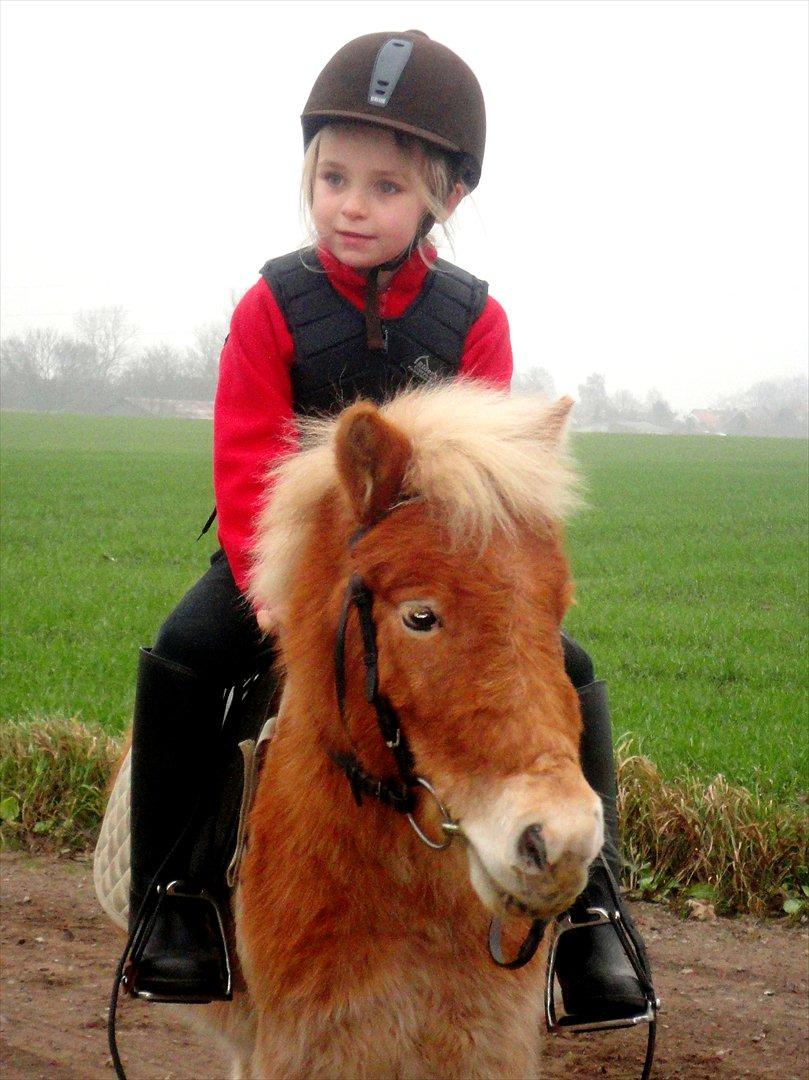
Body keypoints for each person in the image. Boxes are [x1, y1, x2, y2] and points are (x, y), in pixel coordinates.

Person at [124, 29, 650, 1030]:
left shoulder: (471, 320)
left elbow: (482, 492)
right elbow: (242, 464)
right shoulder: (269, 306)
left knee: (570, 673)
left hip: (426, 583)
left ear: (442, 201)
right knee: (185, 662)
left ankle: (594, 922)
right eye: (331, 177)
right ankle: (174, 901)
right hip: (281, 574)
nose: (350, 204)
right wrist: (268, 596)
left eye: (382, 187)